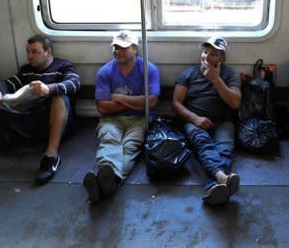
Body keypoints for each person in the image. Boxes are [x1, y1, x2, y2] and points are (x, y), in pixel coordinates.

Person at [0, 34, 80, 184]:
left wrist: (49, 89)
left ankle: (51, 155)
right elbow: (7, 83)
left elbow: (74, 83)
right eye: (28, 52)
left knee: (60, 97)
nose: (30, 56)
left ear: (49, 52)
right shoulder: (26, 71)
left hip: (56, 124)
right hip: (29, 121)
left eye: (35, 52)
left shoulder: (63, 67)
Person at [82, 30, 160, 204]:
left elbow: (152, 102)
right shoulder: (105, 72)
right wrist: (136, 101)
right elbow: (102, 107)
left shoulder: (149, 69)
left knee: (130, 147)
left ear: (135, 49)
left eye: (123, 48)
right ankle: (111, 182)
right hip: (111, 118)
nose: (118, 51)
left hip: (140, 118)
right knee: (109, 140)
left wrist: (118, 98)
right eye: (115, 47)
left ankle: (103, 180)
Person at [172, 36, 241, 205]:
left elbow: (235, 102)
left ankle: (214, 186)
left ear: (222, 58)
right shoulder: (189, 73)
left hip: (223, 121)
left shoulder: (230, 75)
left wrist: (216, 80)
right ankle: (222, 178)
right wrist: (195, 118)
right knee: (203, 144)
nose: (207, 57)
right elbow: (176, 104)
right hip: (195, 121)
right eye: (205, 52)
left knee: (224, 149)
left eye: (213, 54)